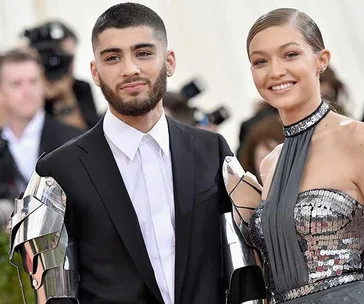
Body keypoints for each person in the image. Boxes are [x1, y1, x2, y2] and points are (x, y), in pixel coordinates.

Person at [13, 3, 234, 303]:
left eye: (143, 53)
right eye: (113, 57)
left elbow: (238, 269)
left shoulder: (211, 150)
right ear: (95, 71)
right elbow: (54, 294)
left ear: (169, 61)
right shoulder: (59, 170)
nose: (130, 69)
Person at [244, 8, 364, 303]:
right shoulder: (269, 163)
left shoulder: (361, 140)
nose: (275, 71)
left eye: (290, 55)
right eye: (260, 61)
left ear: (321, 60)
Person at [0, 48, 82, 202]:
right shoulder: (2, 143)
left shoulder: (74, 139)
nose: (27, 91)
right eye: (16, 84)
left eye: (33, 81)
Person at [24, 21, 100, 130]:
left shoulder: (80, 88)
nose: (68, 65)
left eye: (69, 58)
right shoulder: (23, 90)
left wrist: (65, 98)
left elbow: (85, 137)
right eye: (56, 56)